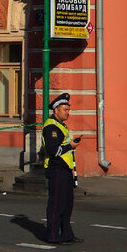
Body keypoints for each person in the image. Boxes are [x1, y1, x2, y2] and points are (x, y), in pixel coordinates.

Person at [43, 92, 83, 244]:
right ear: (56, 110)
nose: (68, 113)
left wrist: (70, 145)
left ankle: (67, 234)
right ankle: (53, 235)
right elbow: (53, 150)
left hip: (64, 169)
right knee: (56, 204)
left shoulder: (60, 126)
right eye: (65, 110)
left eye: (68, 110)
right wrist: (70, 146)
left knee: (67, 203)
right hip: (56, 168)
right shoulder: (51, 127)